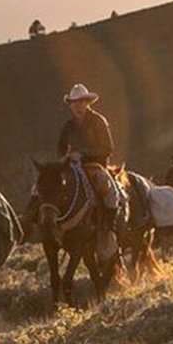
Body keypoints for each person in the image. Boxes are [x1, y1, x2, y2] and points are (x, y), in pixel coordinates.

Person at [56, 84, 121, 234]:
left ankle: (110, 229)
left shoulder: (98, 121)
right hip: (73, 166)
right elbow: (60, 147)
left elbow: (107, 148)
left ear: (87, 103)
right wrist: (65, 157)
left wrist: (84, 154)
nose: (77, 106)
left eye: (81, 102)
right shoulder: (68, 125)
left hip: (96, 165)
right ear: (70, 105)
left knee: (111, 194)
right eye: (74, 103)